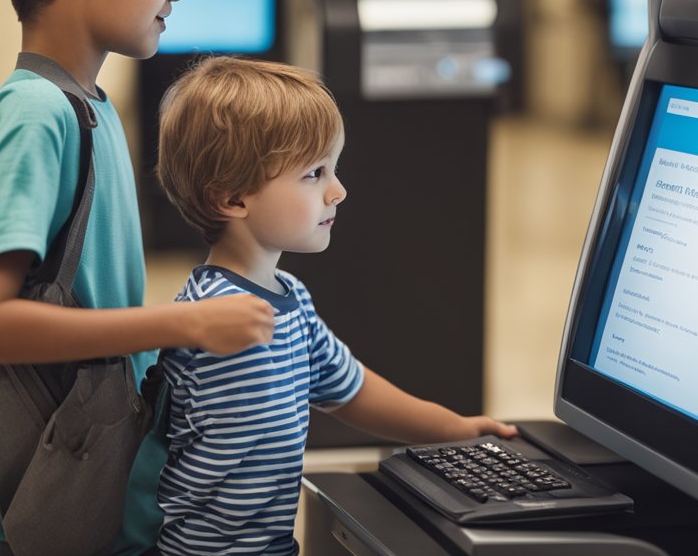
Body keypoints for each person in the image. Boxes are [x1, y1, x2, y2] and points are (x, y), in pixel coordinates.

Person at [0, 0, 276, 555]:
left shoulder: (86, 104)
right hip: (36, 499)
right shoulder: (37, 112)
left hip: (77, 475)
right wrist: (183, 324)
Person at [153, 55, 518, 556]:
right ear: (232, 198)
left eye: (334, 168)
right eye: (314, 174)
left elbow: (353, 391)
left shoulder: (291, 301)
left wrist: (454, 429)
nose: (338, 191)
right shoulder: (212, 320)